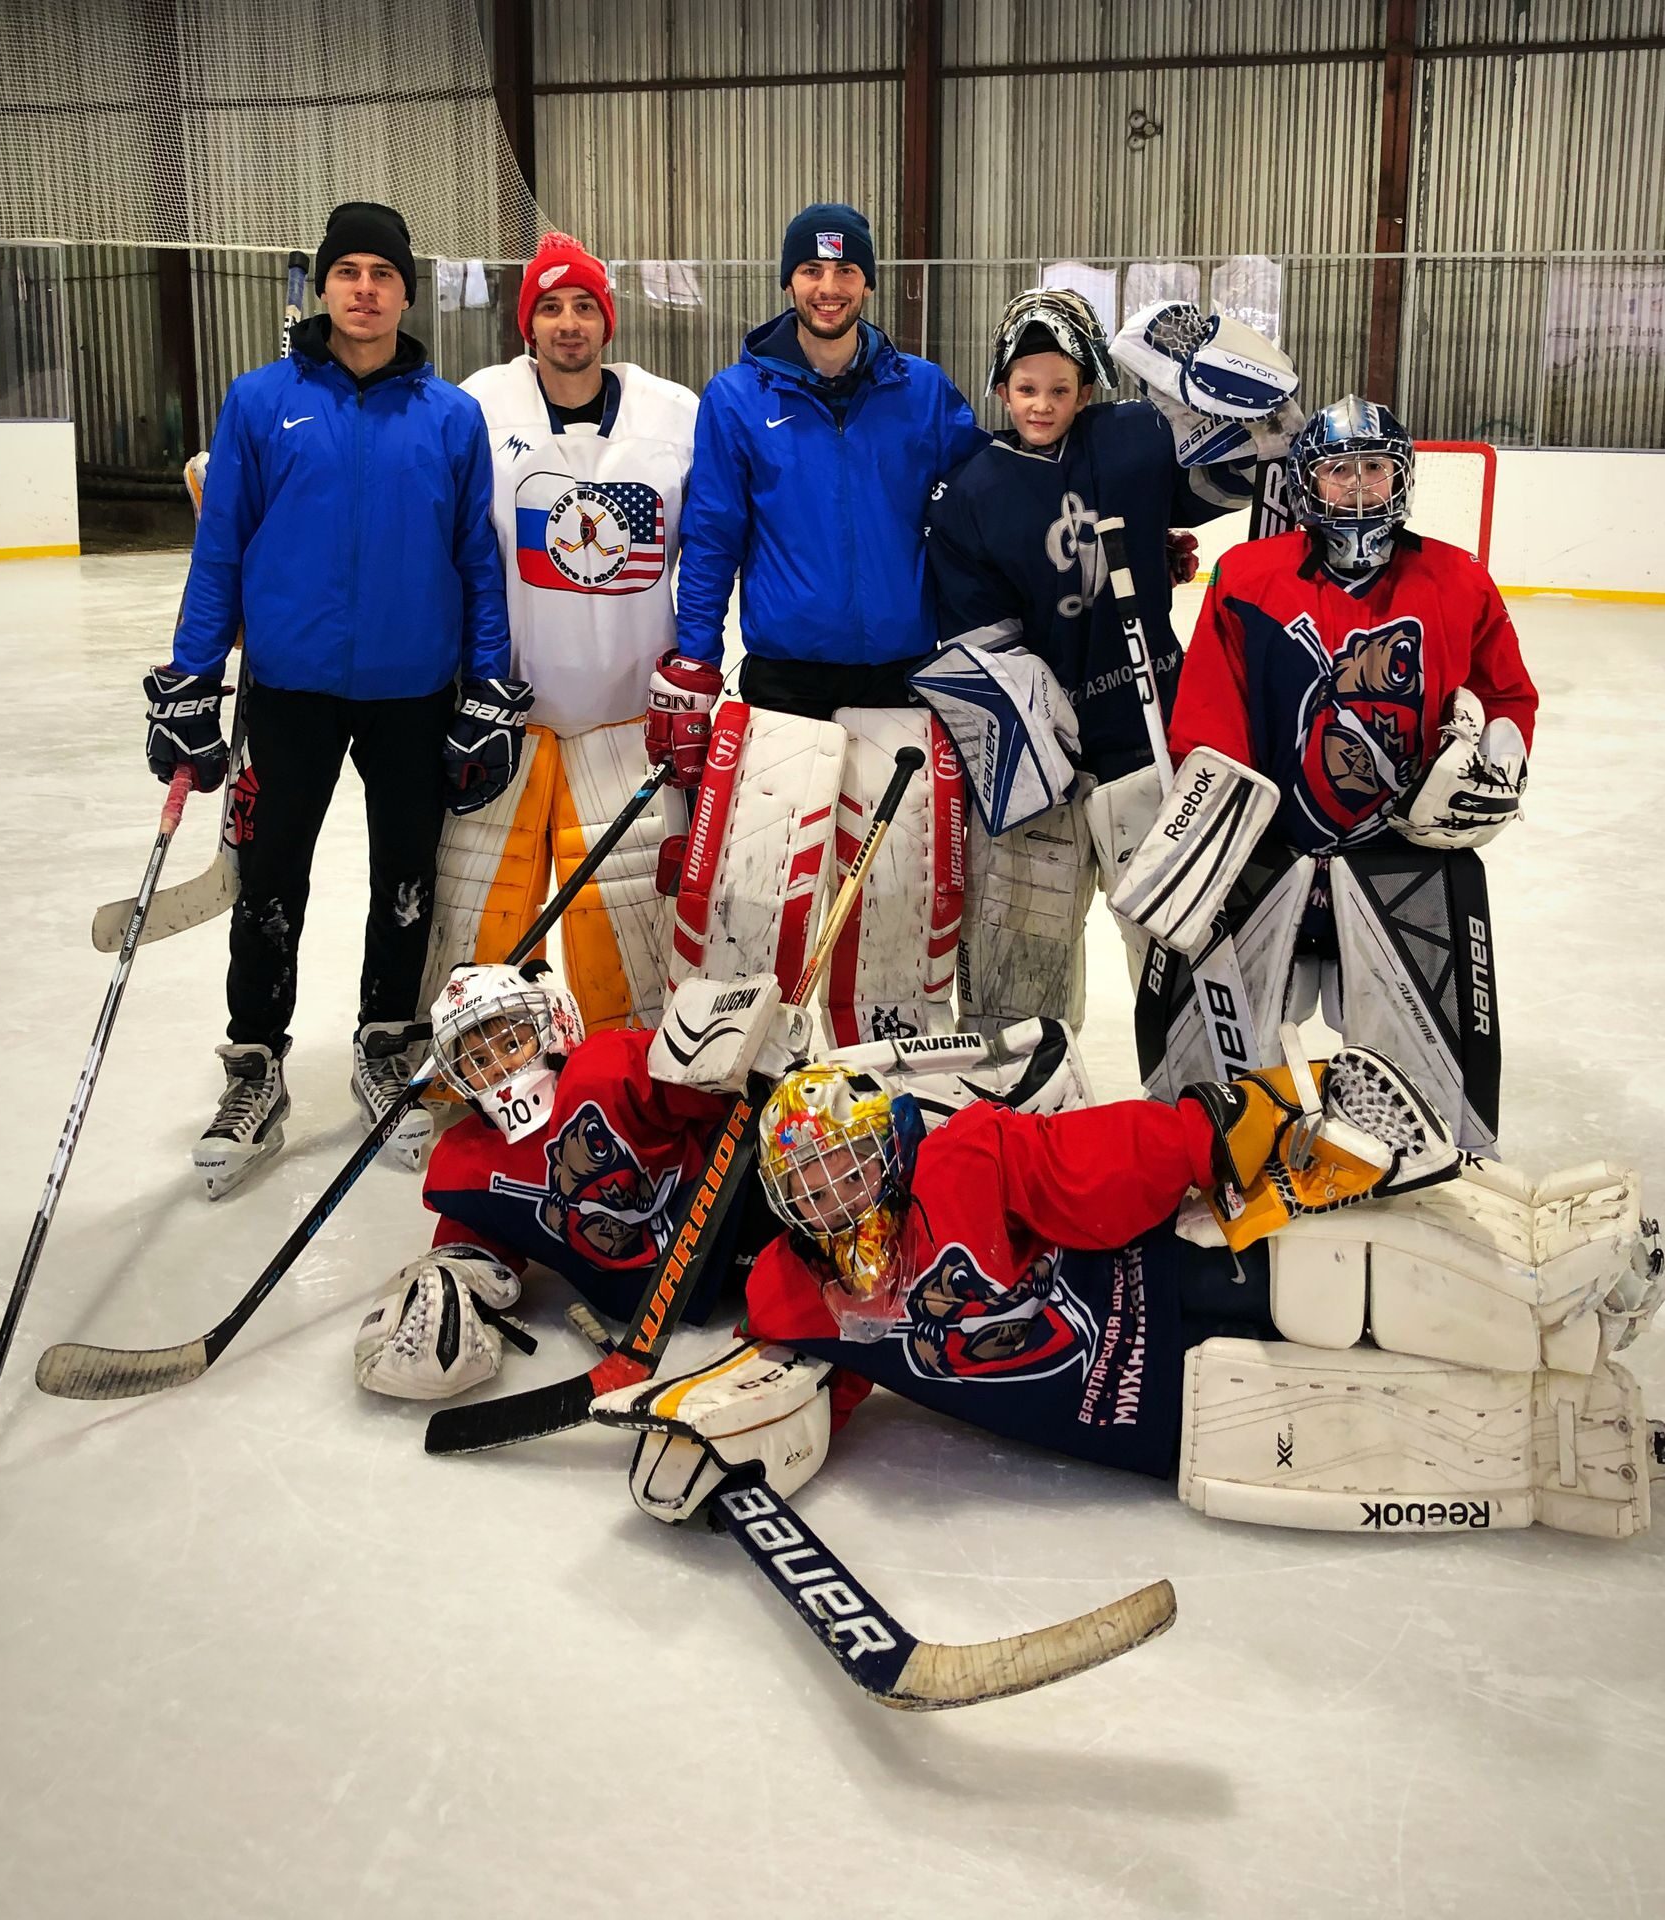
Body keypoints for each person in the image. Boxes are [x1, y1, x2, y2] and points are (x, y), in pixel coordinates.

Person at [591, 1061, 1665, 1543]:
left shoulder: (963, 1156)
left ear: (886, 1144)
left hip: (1172, 1284)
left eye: (847, 1167)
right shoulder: (794, 1293)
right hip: (1160, 1424)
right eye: (809, 1187)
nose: (835, 1198)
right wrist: (705, 1430)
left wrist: (1206, 1131)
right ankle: (1557, 1430)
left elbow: (1078, 1164)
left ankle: (1558, 1290)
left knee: (1348, 1289)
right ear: (781, 1202)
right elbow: (794, 1385)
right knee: (1369, 1421)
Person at [150, 200, 521, 1198]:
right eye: (348, 271)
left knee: (406, 878)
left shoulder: (449, 417)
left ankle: (385, 1040)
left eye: (383, 274)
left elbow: (475, 562)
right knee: (270, 881)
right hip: (289, 693)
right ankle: (254, 1061)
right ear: (323, 286)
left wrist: (486, 683)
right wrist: (192, 679)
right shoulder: (261, 402)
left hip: (412, 694)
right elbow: (221, 544)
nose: (364, 288)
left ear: (406, 293)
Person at [351, 970, 1095, 1400]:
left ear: (548, 1026)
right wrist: (443, 1288)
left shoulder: (604, 1067)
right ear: (450, 1079)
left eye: (508, 1039)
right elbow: (480, 1243)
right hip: (723, 1283)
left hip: (743, 1201)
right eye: (474, 1058)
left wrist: (740, 1058)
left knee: (848, 1133)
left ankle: (1020, 1099)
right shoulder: (465, 1161)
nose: (498, 1067)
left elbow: (705, 1086)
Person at [1114, 396, 1538, 1149]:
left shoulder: (1457, 579)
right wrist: (1211, 827)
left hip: (1401, 860)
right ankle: (1224, 1158)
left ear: (1402, 478)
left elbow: (1506, 692)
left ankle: (1410, 1168)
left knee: (1413, 1080)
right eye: (1339, 470)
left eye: (1376, 469)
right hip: (1268, 853)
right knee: (1219, 1075)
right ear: (1307, 484)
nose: (1359, 486)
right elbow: (1211, 717)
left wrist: (1503, 750)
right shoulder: (1247, 576)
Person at [917, 289, 1302, 1031]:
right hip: (1037, 770)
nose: (1041, 403)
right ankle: (1020, 1123)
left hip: (1147, 740)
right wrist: (1031, 733)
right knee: (1016, 983)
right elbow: (977, 642)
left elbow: (1258, 452)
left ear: (1088, 388)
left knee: (1187, 963)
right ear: (1000, 389)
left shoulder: (1133, 438)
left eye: (1061, 388)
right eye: (1025, 388)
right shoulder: (972, 488)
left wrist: (1207, 378)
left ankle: (1202, 1113)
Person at [650, 203, 987, 1048]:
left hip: (900, 679)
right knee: (766, 891)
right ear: (789, 280)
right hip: (785, 682)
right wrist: (694, 660)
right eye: (812, 270)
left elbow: (993, 505)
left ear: (868, 280)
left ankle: (883, 1053)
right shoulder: (735, 398)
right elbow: (715, 535)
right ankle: (766, 1050)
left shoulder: (922, 391)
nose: (828, 288)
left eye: (845, 272)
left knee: (896, 890)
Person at [420, 235, 699, 1035]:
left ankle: (629, 1080)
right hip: (508, 714)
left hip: (632, 718)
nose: (568, 322)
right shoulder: (479, 404)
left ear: (606, 322)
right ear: (528, 324)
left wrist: (699, 664)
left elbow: (715, 545)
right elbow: (449, 545)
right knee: (475, 912)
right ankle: (468, 1073)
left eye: (584, 306)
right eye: (550, 306)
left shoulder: (674, 413)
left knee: (635, 929)